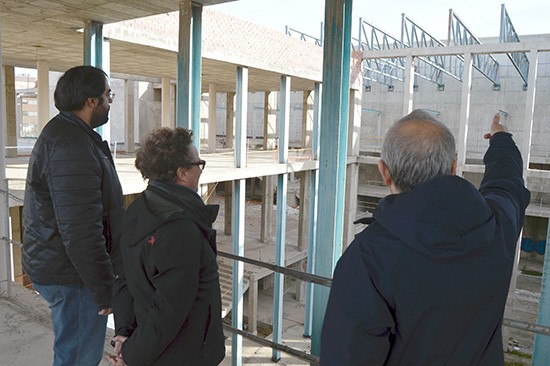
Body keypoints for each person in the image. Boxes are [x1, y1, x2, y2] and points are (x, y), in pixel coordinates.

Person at [320, 110, 530, 365]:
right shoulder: (497, 227)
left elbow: (348, 356)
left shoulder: (367, 258)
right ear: (454, 167)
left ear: (384, 171)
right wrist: (501, 138)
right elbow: (506, 181)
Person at [22, 65, 124, 365]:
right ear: (91, 101)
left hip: (65, 268)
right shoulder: (72, 145)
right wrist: (104, 288)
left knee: (72, 351)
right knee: (78, 357)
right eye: (108, 95)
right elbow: (80, 229)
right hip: (74, 276)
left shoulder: (70, 134)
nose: (110, 102)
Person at [107, 128, 226, 366]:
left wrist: (124, 333)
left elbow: (124, 279)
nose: (201, 169)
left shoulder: (137, 210)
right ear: (182, 173)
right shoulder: (181, 229)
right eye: (198, 164)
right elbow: (168, 312)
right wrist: (130, 357)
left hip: (156, 348)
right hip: (185, 354)